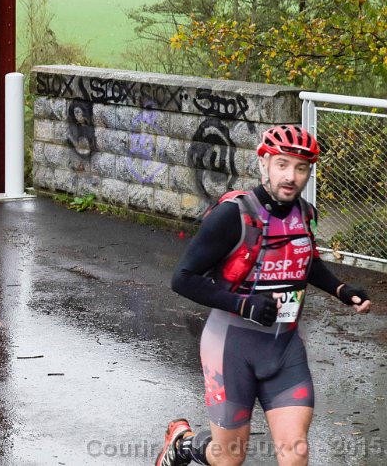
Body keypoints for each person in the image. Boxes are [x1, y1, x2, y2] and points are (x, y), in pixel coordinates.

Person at [156, 125, 372, 466]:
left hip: (284, 349)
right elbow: (182, 279)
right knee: (229, 457)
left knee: (296, 451)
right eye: (282, 164)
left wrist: (341, 290)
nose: (291, 176)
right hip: (230, 350)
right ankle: (183, 444)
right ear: (263, 164)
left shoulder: (306, 214)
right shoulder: (234, 216)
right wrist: (244, 305)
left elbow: (305, 261)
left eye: (301, 168)